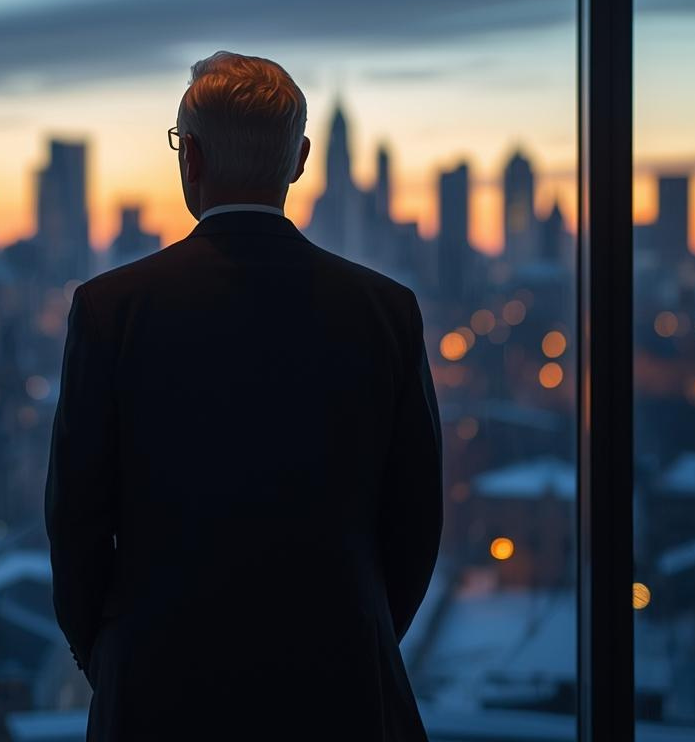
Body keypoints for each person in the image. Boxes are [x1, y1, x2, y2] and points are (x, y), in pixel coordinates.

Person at [45, 51, 443, 741]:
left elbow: (75, 521)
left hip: (158, 694)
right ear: (300, 160)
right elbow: (415, 524)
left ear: (189, 157)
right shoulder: (386, 312)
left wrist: (113, 659)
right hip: (342, 692)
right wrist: (358, 640)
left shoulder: (113, 309)